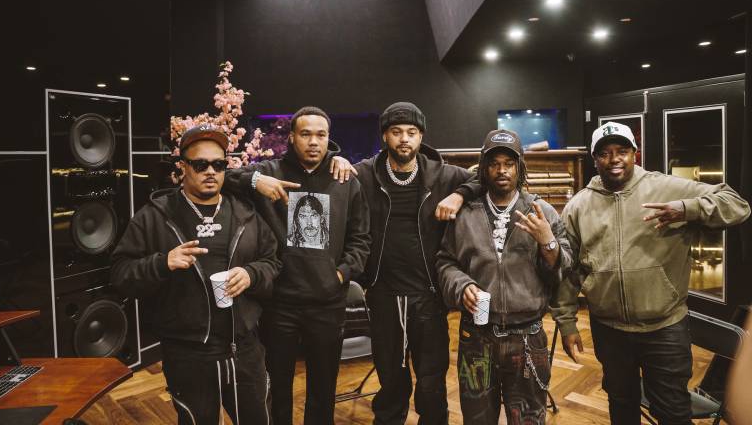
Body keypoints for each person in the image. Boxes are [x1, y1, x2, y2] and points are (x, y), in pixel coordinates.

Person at [552, 121, 751, 425]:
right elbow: (568, 269)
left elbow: (737, 205)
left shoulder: (666, 187)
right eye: (604, 153)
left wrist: (685, 209)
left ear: (635, 153)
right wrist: (566, 323)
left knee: (672, 411)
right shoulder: (579, 206)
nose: (614, 159)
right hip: (609, 329)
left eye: (621, 151)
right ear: (595, 160)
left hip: (665, 328)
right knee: (621, 404)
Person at [110, 125, 281, 425]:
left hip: (244, 349)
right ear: (182, 167)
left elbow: (272, 261)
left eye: (219, 164)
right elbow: (121, 274)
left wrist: (251, 274)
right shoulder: (155, 216)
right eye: (200, 165)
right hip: (187, 354)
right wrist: (163, 263)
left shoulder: (246, 213)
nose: (211, 171)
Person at [225, 106, 371, 425]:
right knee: (277, 389)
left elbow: (361, 240)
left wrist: (341, 274)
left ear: (329, 138)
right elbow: (219, 177)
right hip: (279, 304)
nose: (313, 142)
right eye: (305, 134)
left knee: (323, 391)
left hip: (327, 303)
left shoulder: (343, 178)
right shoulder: (271, 171)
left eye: (321, 135)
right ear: (292, 137)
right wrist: (255, 180)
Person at [349, 101, 477, 425]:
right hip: (382, 295)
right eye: (396, 132)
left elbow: (482, 180)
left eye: (412, 132)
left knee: (432, 383)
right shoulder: (365, 174)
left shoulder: (444, 176)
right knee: (391, 381)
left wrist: (459, 195)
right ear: (384, 137)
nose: (404, 139)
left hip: (428, 297)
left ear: (421, 137)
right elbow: (335, 179)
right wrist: (336, 159)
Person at [437, 128, 572, 424]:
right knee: (476, 418)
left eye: (509, 164)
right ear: (484, 168)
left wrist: (547, 242)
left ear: (520, 166)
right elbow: (445, 262)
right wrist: (462, 287)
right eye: (494, 163)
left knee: (528, 419)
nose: (501, 170)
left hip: (527, 338)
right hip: (476, 339)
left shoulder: (542, 211)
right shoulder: (466, 212)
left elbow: (565, 267)